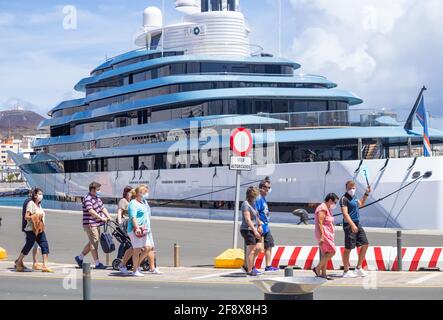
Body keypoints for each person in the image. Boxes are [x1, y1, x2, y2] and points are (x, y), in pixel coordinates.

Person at [15, 188, 53, 273]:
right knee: (29, 245)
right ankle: (18, 262)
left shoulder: (39, 205)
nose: (41, 195)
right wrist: (35, 216)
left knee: (44, 245)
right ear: (35, 195)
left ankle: (45, 265)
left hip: (39, 229)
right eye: (39, 194)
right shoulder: (31, 203)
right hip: (31, 229)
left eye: (41, 194)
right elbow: (26, 216)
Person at [127, 184, 162, 276]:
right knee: (137, 249)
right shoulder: (133, 203)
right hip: (135, 229)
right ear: (139, 193)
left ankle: (137, 266)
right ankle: (135, 270)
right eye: (145, 192)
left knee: (148, 247)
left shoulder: (142, 203)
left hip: (144, 229)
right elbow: (133, 217)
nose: (147, 194)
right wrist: (137, 227)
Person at [75, 182, 112, 270]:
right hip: (90, 223)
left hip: (96, 223)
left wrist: (108, 216)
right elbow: (91, 211)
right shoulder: (87, 198)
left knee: (93, 241)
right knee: (94, 242)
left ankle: (79, 258)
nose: (99, 191)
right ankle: (97, 263)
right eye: (98, 189)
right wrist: (101, 218)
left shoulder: (97, 198)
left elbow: (102, 208)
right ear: (93, 189)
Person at [340, 181, 371, 278]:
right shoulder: (344, 199)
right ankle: (346, 271)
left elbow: (361, 204)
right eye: (350, 188)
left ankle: (358, 268)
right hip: (349, 225)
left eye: (353, 188)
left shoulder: (354, 197)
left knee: (365, 244)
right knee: (348, 248)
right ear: (346, 188)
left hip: (357, 223)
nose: (352, 189)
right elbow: (345, 214)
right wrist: (352, 225)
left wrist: (366, 193)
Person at [313, 193, 339, 280]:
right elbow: (320, 222)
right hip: (324, 234)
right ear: (330, 200)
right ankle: (317, 268)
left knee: (326, 253)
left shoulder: (327, 208)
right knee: (332, 251)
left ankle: (323, 274)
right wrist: (322, 236)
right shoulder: (322, 208)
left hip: (328, 234)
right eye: (334, 202)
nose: (335, 204)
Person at [255, 179, 278, 272]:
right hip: (260, 227)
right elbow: (255, 213)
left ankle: (268, 266)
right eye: (266, 187)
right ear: (261, 187)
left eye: (269, 187)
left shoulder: (263, 198)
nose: (268, 189)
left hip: (266, 227)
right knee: (258, 248)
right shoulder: (258, 198)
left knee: (269, 245)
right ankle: (250, 265)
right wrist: (259, 224)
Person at [240, 186, 263, 276]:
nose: (257, 197)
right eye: (256, 195)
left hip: (255, 229)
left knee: (259, 248)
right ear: (252, 195)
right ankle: (249, 270)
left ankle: (249, 266)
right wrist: (254, 230)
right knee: (252, 250)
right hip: (247, 229)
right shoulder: (246, 204)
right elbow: (247, 219)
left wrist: (260, 225)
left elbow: (256, 215)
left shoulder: (253, 203)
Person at [20, 188, 42, 270]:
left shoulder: (35, 202)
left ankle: (21, 261)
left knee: (34, 245)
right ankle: (32, 262)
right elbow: (27, 216)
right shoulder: (29, 202)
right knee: (32, 244)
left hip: (33, 227)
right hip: (30, 227)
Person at [117, 186, 134, 274]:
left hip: (130, 224)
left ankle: (128, 260)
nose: (131, 194)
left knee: (129, 242)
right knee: (125, 241)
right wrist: (120, 224)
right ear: (126, 193)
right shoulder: (123, 201)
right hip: (124, 224)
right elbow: (120, 212)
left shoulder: (131, 202)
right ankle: (120, 258)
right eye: (129, 192)